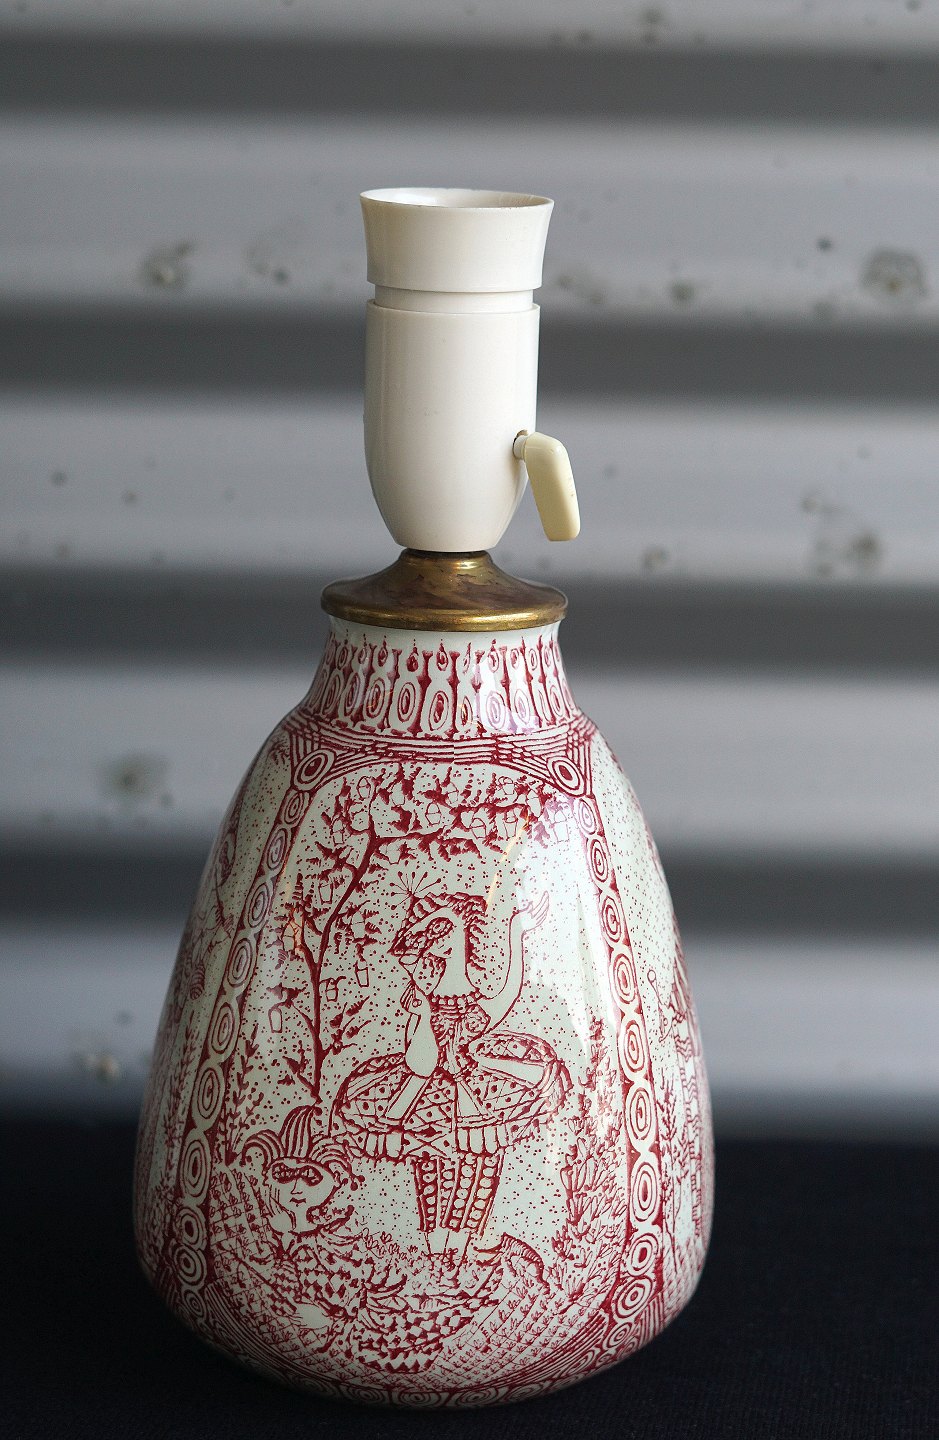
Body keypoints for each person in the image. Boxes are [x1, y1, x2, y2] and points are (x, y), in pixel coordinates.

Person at [333, 890, 570, 1262]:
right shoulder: (422, 1000)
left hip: (474, 1088)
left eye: (441, 932)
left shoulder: (472, 1004)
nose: (433, 943)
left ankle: (460, 1250)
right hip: (428, 1093)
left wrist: (515, 934)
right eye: (432, 936)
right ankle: (436, 1251)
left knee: (480, 1161)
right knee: (431, 1164)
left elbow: (508, 993)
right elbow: (420, 1063)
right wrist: (425, 1011)